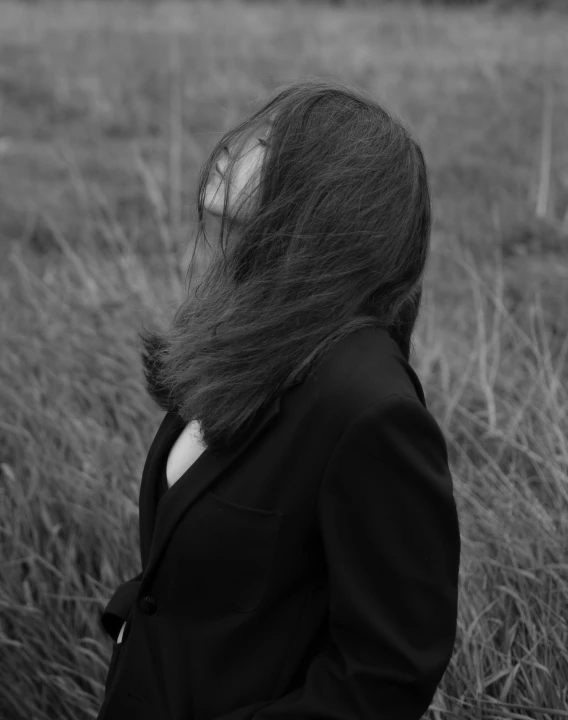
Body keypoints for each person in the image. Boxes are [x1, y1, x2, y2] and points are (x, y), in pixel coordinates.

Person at [96, 76, 461, 720]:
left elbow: (385, 679)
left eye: (271, 143)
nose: (237, 149)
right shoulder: (250, 331)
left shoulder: (373, 412)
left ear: (325, 198)